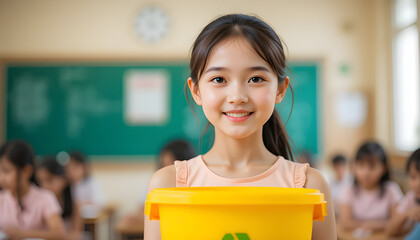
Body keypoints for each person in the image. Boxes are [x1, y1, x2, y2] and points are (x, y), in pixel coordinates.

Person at [144, 14, 336, 240]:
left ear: (280, 89)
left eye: (255, 79)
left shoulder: (310, 185)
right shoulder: (168, 184)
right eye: (219, 79)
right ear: (196, 91)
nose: (237, 96)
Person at [0, 140, 65, 239]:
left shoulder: (44, 198)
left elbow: (59, 233)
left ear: (26, 171)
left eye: (6, 171)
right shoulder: (2, 198)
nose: (1, 178)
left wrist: (23, 234)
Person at [339, 141, 403, 233]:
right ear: (354, 166)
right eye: (361, 165)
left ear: (384, 168)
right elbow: (345, 223)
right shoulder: (348, 191)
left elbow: (398, 221)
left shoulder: (391, 189)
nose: (366, 172)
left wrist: (372, 226)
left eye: (372, 167)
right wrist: (381, 225)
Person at [38, 156, 82, 238]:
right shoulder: (39, 204)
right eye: (40, 181)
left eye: (49, 180)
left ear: (64, 180)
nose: (44, 186)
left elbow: (76, 235)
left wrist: (57, 235)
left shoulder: (74, 205)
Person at [386, 148, 420, 237]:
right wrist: (406, 214)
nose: (417, 183)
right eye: (413, 177)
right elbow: (390, 231)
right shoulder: (411, 198)